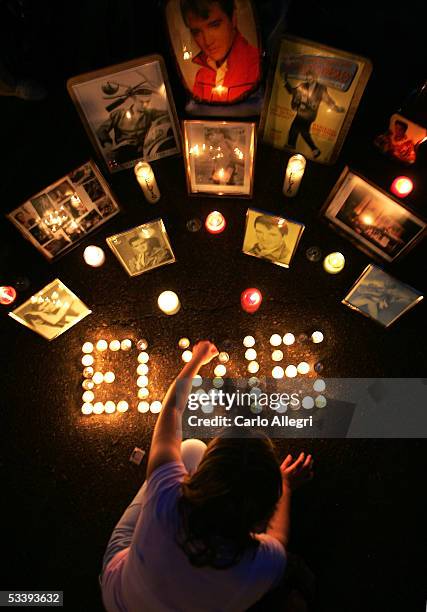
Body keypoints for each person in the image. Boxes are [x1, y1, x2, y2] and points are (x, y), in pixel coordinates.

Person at [101, 340, 314, 611]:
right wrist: (285, 485)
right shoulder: (264, 563)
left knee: (191, 448)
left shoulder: (167, 496)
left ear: (207, 471)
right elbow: (279, 538)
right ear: (264, 511)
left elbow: (172, 411)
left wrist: (196, 361)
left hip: (119, 597)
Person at [181, 0, 260, 103]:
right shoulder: (201, 76)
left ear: (233, 19)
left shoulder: (258, 66)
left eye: (214, 25)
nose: (207, 41)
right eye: (197, 32)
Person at [280, 68, 345, 158]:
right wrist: (285, 81)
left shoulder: (321, 88)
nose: (308, 80)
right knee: (301, 130)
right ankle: (312, 149)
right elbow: (292, 91)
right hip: (301, 111)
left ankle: (293, 145)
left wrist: (337, 108)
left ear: (315, 78)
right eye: (307, 78)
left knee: (296, 127)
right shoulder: (303, 85)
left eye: (310, 78)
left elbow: (327, 100)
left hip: (309, 114)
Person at [96, 93, 169, 165]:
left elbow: (168, 113)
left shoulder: (150, 113)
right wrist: (109, 146)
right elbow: (101, 130)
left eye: (147, 102)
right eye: (141, 102)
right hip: (123, 152)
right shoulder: (119, 114)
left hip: (143, 151)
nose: (145, 105)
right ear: (134, 99)